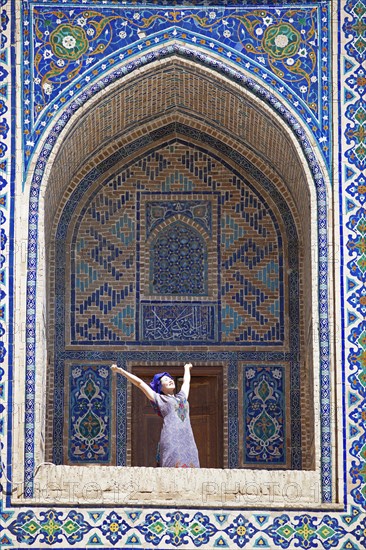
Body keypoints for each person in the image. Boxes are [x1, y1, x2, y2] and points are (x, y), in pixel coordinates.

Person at [110, 363, 200, 468]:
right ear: (160, 387)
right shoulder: (159, 398)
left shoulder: (182, 397)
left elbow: (186, 382)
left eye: (170, 378)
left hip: (187, 438)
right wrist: (121, 371)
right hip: (171, 437)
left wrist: (186, 368)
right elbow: (140, 384)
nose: (170, 380)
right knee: (172, 466)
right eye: (166, 380)